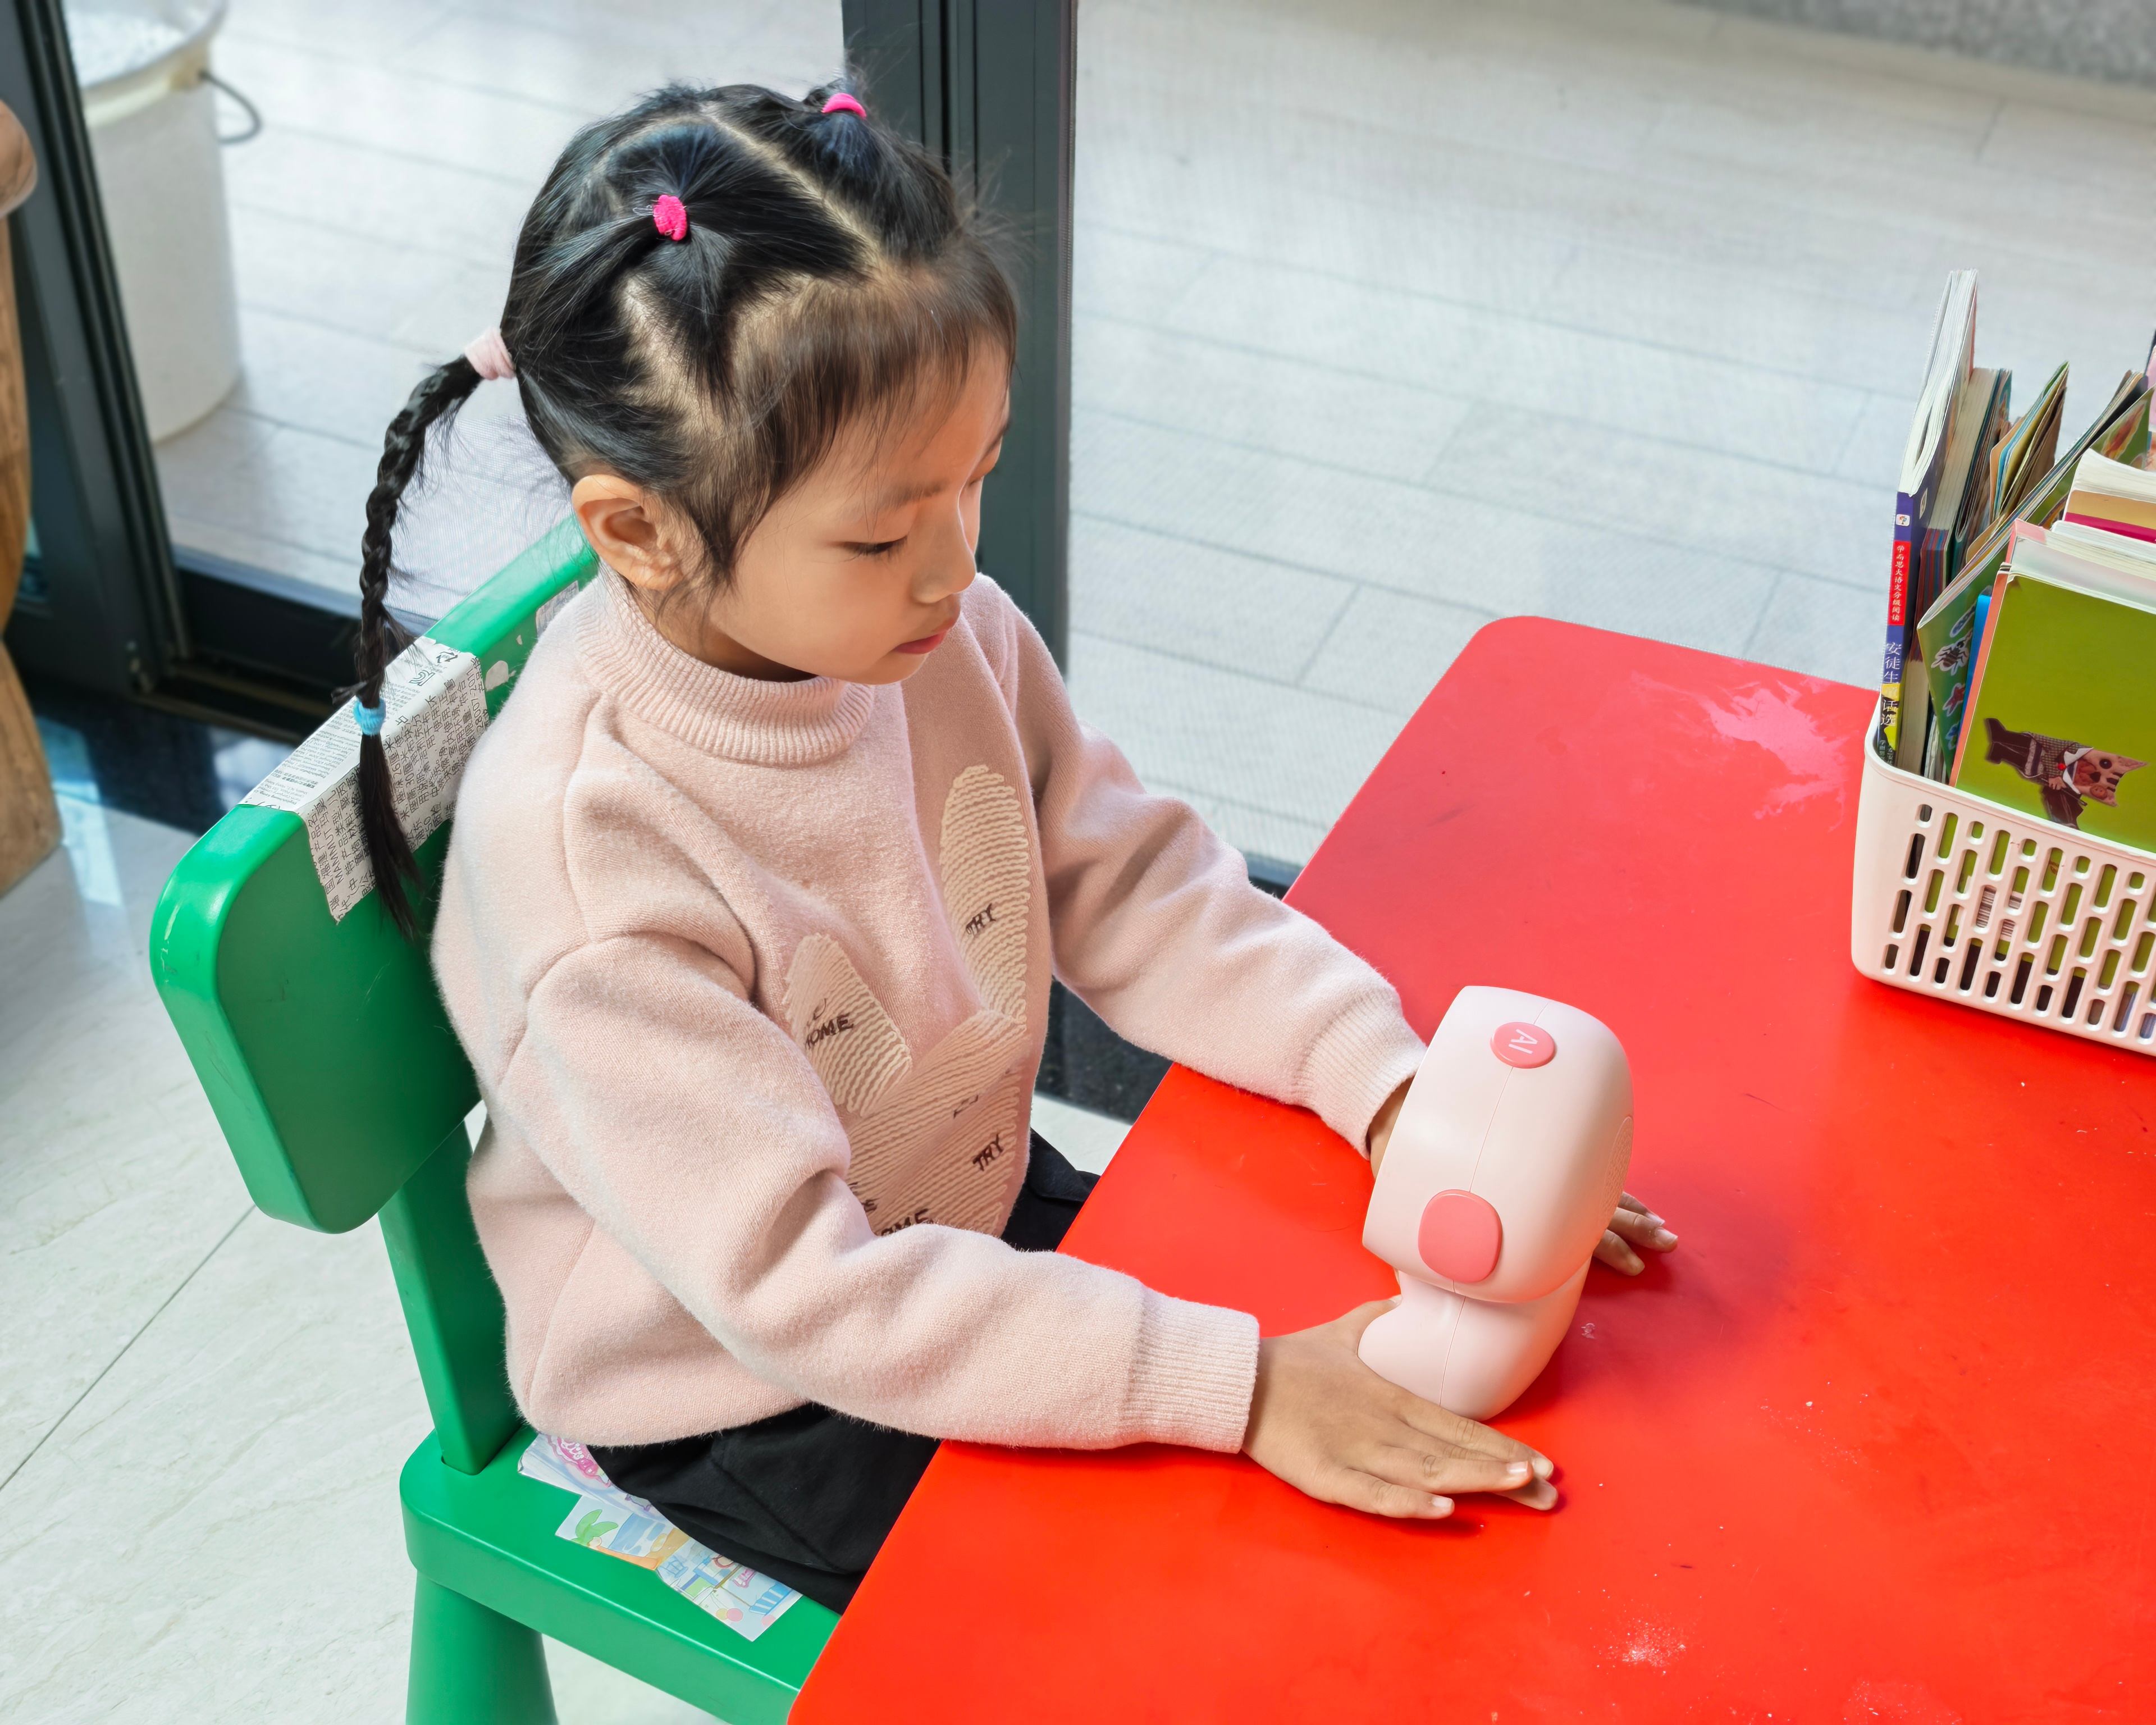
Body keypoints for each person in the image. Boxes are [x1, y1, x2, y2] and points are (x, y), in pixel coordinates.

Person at [350, 81, 1677, 1612]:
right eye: (881, 532)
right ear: (641, 534)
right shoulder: (595, 862)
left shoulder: (935, 635)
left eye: (973, 482)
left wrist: (1395, 1090)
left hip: (952, 1208)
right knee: (1224, 1600)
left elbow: (1133, 882)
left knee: (1404, 1399)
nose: (957, 567)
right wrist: (1240, 1387)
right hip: (749, 1388)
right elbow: (805, 1293)